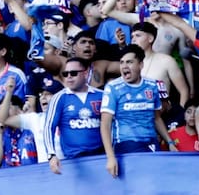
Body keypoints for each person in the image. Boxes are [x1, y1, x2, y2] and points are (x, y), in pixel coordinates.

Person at [100, 45, 177, 178]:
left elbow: (156, 118)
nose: (124, 66)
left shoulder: (152, 85)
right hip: (126, 143)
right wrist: (110, 157)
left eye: (129, 62)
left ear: (141, 64)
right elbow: (105, 124)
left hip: (151, 142)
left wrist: (170, 142)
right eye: (122, 62)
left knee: (155, 181)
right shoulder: (113, 88)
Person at [43, 57, 104, 173]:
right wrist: (51, 155)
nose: (69, 77)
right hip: (74, 160)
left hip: (101, 156)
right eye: (66, 74)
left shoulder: (102, 95)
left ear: (85, 73)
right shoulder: (59, 98)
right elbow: (48, 127)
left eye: (73, 73)